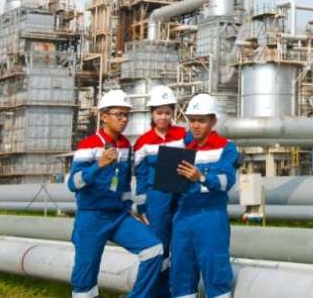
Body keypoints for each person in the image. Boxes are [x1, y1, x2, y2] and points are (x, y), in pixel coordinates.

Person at [68, 89, 163, 298]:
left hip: (118, 216)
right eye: (119, 114)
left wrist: (129, 208)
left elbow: (125, 183)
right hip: (91, 217)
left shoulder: (125, 145)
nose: (124, 119)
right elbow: (73, 183)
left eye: (127, 115)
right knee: (84, 280)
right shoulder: (89, 145)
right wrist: (98, 165)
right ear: (104, 116)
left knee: (154, 249)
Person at [170, 93, 238, 298]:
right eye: (192, 120)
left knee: (215, 271)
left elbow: (227, 181)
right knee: (181, 272)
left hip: (211, 215)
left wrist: (201, 177)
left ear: (213, 121)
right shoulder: (181, 147)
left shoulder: (226, 147)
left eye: (201, 120)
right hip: (183, 215)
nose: (196, 125)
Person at [132, 84, 187, 298]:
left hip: (181, 196)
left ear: (173, 113)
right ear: (152, 114)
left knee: (181, 244)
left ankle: (180, 290)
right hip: (156, 200)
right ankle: (160, 292)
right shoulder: (143, 142)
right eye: (159, 113)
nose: (163, 117)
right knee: (160, 245)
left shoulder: (183, 135)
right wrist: (142, 206)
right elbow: (141, 176)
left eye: (167, 112)